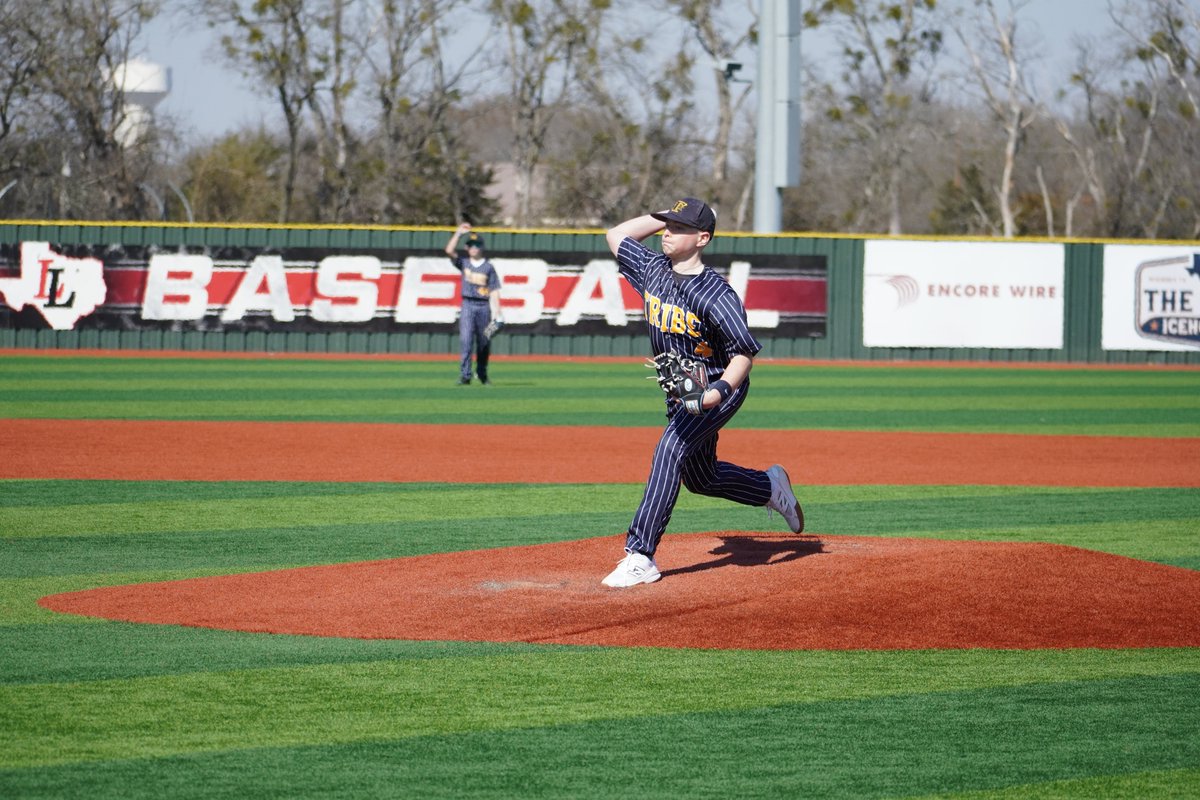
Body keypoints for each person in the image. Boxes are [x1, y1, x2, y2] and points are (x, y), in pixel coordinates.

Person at [601, 196, 803, 588]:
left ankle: (640, 554)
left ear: (703, 238)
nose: (667, 233)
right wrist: (662, 215)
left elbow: (744, 353)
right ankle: (769, 487)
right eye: (667, 226)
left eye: (679, 228)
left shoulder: (716, 294)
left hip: (717, 387)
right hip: (681, 390)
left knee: (670, 448)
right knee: (701, 477)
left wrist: (718, 391)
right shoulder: (652, 270)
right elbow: (616, 234)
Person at [444, 223, 503, 385]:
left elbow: (494, 290)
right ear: (467, 248)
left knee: (484, 342)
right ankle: (465, 375)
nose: (474, 248)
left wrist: (498, 312)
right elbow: (449, 251)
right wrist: (458, 233)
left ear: (481, 247)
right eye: (471, 245)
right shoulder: (464, 263)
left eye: (477, 245)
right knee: (466, 340)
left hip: (484, 307)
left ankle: (482, 374)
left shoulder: (488, 267)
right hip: (468, 305)